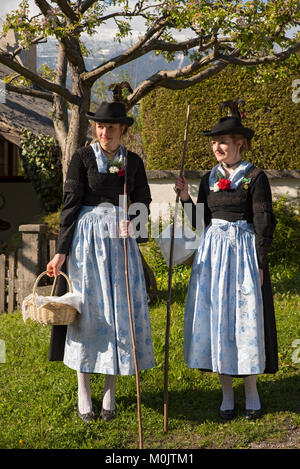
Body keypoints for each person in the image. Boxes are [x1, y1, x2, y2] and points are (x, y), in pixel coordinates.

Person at [47, 101, 155, 423]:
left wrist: (134, 223)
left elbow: (145, 202)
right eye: (99, 127)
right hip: (87, 246)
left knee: (118, 314)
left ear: (123, 129)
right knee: (87, 313)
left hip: (121, 246)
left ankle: (109, 390)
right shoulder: (81, 159)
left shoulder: (133, 163)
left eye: (111, 127)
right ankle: (84, 390)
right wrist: (61, 251)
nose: (104, 132)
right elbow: (70, 205)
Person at [175, 100, 278, 420]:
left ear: (239, 143)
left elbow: (263, 222)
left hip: (244, 254)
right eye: (214, 141)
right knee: (218, 319)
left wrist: (260, 262)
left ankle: (251, 394)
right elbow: (201, 220)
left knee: (245, 321)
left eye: (223, 141)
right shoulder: (208, 178)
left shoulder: (256, 177)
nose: (217, 146)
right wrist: (184, 198)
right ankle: (226, 396)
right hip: (213, 257)